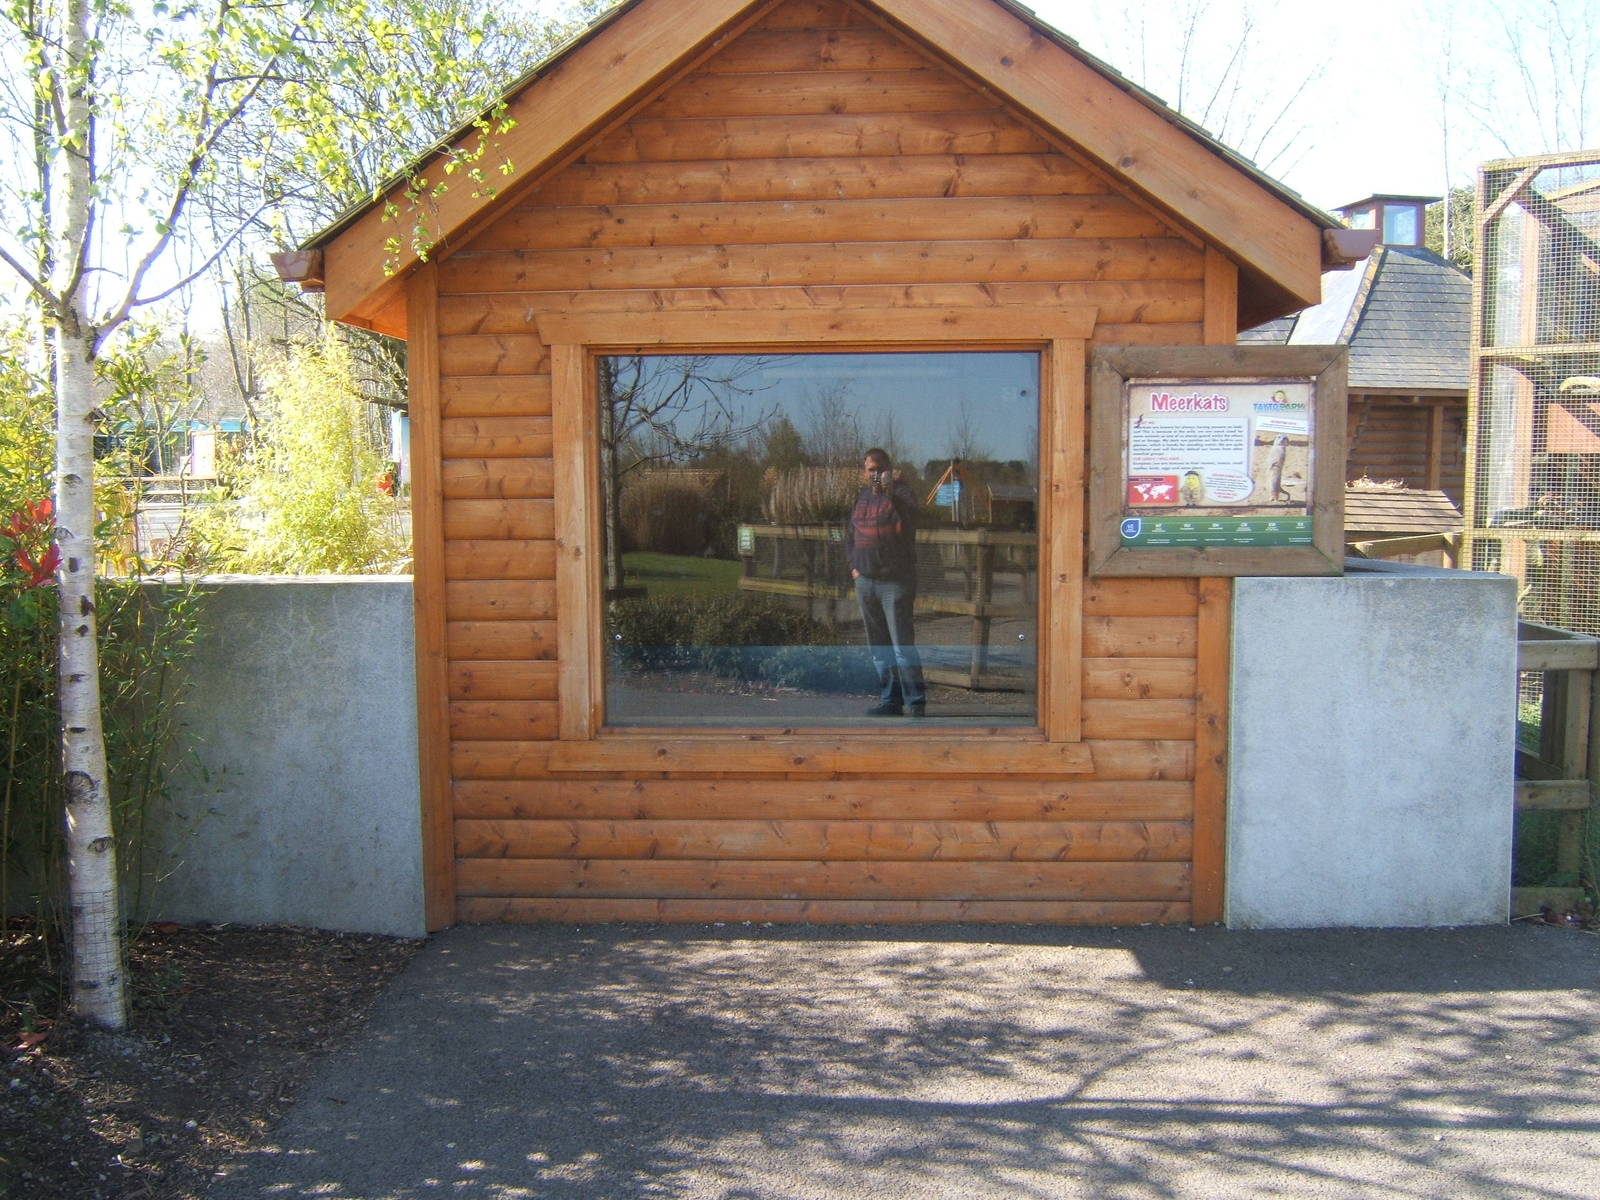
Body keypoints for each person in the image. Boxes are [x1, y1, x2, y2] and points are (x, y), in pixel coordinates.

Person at [845, 448, 926, 717]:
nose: (875, 474)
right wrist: (854, 567)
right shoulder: (862, 498)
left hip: (895, 581)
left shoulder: (903, 494)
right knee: (879, 647)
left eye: (879, 468)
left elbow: (913, 517)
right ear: (864, 472)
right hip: (866, 581)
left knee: (902, 646)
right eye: (870, 469)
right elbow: (849, 534)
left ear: (889, 468)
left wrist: (891, 492)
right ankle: (889, 700)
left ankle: (915, 702)